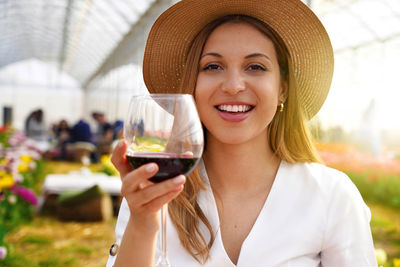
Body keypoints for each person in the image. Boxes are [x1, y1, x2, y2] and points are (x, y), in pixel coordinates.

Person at [108, 0, 377, 266]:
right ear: (192, 87)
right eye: (213, 66)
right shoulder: (154, 192)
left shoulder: (332, 196)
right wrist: (143, 223)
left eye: (255, 67)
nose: (234, 85)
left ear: (282, 88)